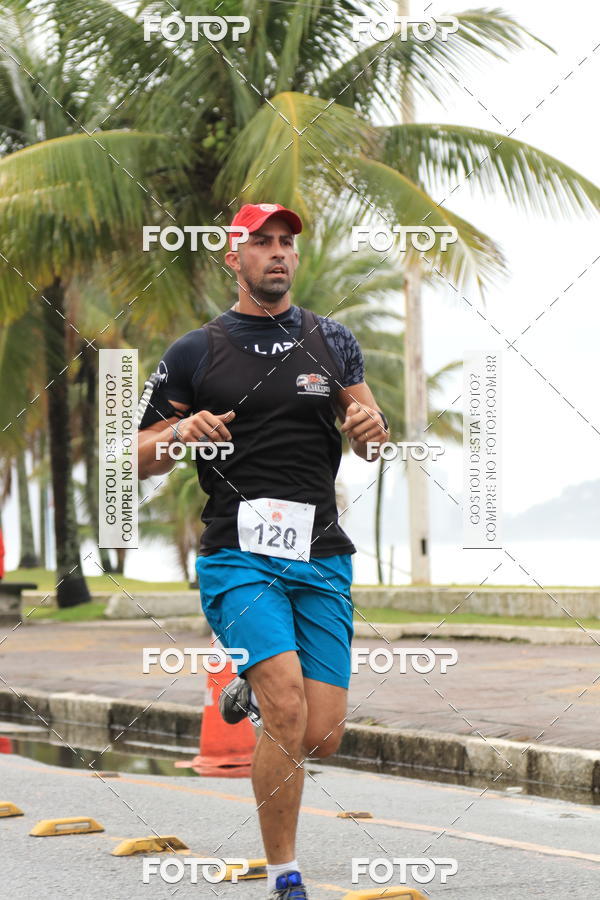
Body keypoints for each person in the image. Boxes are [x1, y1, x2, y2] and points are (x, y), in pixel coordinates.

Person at [137, 202, 389, 899]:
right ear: (234, 258)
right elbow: (134, 455)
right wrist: (180, 432)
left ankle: (250, 690)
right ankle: (286, 875)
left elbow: (370, 432)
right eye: (262, 242)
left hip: (320, 553)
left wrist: (370, 428)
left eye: (286, 243)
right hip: (237, 555)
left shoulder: (331, 340)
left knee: (322, 734)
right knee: (286, 708)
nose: (278, 252)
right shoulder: (195, 351)